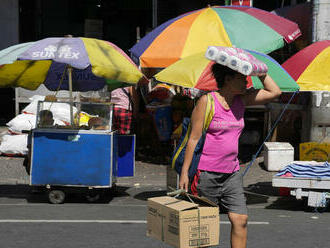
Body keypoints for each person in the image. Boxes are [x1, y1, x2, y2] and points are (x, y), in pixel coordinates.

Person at [179, 63, 282, 248]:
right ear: (228, 79)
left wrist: (260, 72)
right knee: (205, 228)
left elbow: (275, 92)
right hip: (206, 174)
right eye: (242, 77)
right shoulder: (207, 102)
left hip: (232, 173)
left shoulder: (242, 100)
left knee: (240, 219)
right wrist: (185, 172)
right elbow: (193, 139)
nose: (246, 81)